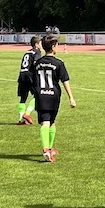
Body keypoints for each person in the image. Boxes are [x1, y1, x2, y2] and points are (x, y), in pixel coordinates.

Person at [32, 34, 76, 162]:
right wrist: (71, 98)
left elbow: (33, 79)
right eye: (57, 45)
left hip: (41, 96)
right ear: (53, 47)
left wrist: (36, 92)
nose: (58, 47)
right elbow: (65, 80)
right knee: (51, 122)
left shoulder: (38, 62)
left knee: (46, 122)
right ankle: (47, 149)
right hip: (53, 96)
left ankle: (48, 149)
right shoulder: (59, 63)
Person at [16, 35, 42, 123]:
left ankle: (20, 119)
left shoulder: (27, 52)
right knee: (37, 95)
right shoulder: (37, 52)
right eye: (40, 43)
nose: (41, 45)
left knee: (23, 98)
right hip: (30, 75)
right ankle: (27, 113)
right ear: (36, 45)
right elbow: (36, 63)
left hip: (22, 75)